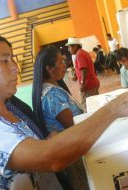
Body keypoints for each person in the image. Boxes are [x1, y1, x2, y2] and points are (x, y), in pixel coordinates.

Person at [0, 29, 128, 189]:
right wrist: (112, 109)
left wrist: (47, 143)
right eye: (5, 60)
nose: (16, 68)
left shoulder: (8, 114)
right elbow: (51, 157)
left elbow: (39, 152)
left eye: (13, 59)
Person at [33, 45, 88, 189]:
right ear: (49, 69)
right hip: (72, 153)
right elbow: (73, 126)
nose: (65, 65)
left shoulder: (52, 87)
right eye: (61, 62)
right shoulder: (52, 95)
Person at [66, 37, 100, 111]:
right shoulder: (82, 52)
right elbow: (82, 68)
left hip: (88, 85)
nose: (68, 50)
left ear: (75, 46)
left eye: (69, 47)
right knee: (96, 102)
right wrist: (76, 76)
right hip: (93, 82)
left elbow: (84, 69)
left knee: (85, 106)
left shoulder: (79, 54)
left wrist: (82, 83)